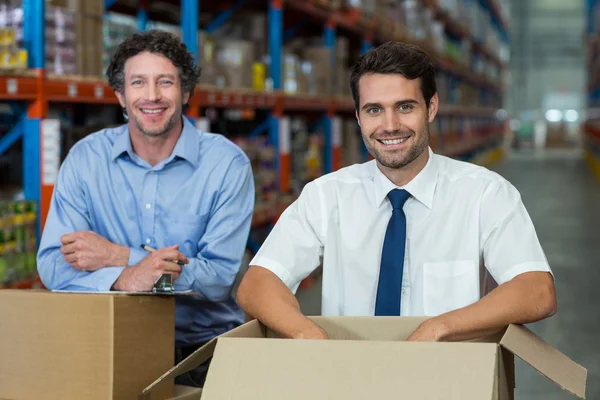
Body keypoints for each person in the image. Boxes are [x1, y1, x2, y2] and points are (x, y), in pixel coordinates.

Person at [236, 41, 556, 342]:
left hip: (449, 376)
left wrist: (440, 327)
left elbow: (537, 290)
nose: (389, 125)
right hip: (351, 376)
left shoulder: (485, 193)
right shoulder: (326, 196)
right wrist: (309, 335)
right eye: (374, 110)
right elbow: (257, 284)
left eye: (404, 107)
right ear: (358, 116)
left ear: (431, 108)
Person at [37, 30, 255, 386]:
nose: (152, 96)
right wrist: (130, 276)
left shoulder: (226, 164)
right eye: (138, 83)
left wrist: (118, 256)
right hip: (110, 338)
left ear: (185, 92)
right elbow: (52, 266)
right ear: (121, 96)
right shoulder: (85, 160)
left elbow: (218, 280)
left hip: (203, 350)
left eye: (165, 82)